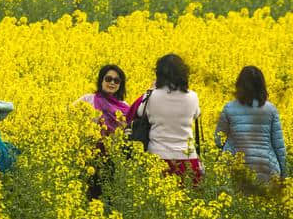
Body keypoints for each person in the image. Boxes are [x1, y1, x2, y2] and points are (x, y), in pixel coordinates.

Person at [137, 54, 202, 184]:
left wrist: (151, 89)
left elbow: (140, 113)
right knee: (189, 200)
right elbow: (196, 114)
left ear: (159, 73)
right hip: (187, 157)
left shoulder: (151, 95)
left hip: (157, 157)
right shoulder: (193, 97)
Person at [215, 66, 287, 182]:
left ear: (239, 85)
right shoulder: (271, 109)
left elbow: (218, 140)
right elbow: (279, 146)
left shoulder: (229, 108)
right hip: (267, 168)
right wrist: (284, 174)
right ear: (262, 86)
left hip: (235, 167)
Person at [74, 65, 129, 135]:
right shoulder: (87, 99)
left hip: (115, 145)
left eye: (116, 81)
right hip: (89, 143)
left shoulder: (125, 106)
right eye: (108, 79)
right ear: (101, 81)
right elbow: (70, 114)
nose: (112, 83)